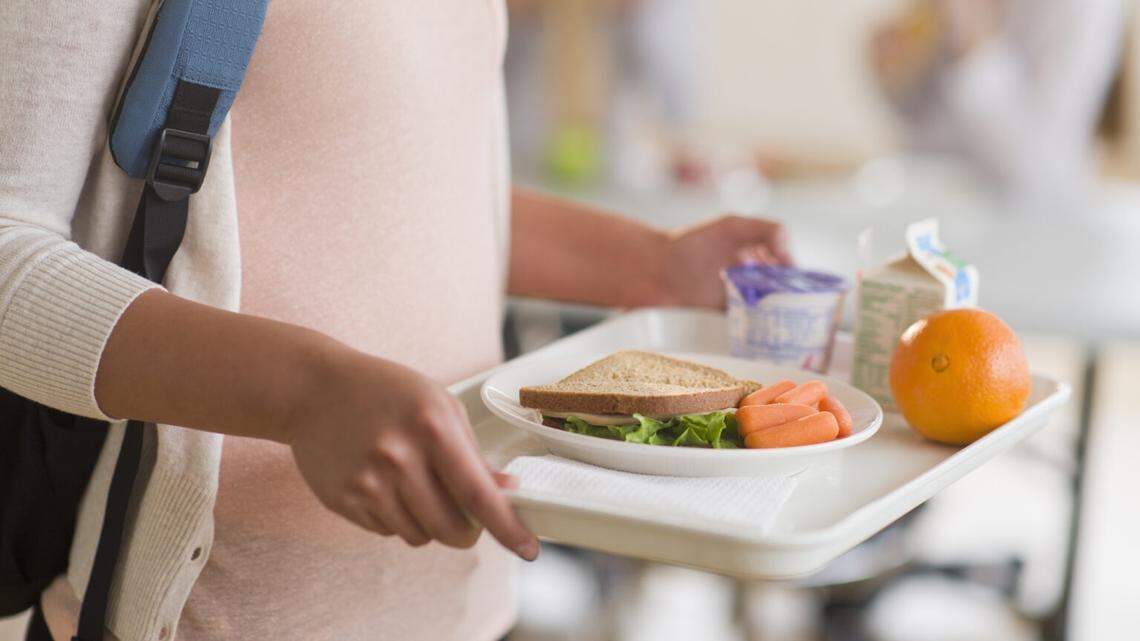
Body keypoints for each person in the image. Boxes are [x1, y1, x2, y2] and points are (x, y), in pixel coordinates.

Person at [0, 2, 790, 640]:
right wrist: (305, 392)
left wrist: (647, 263)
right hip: (215, 610)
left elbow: (400, 192)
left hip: (463, 602)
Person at [870, 0, 1124, 212]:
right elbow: (934, 132)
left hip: (1036, 228)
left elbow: (1039, 171)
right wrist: (897, 80)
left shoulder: (1084, 9)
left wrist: (975, 44)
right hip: (943, 215)